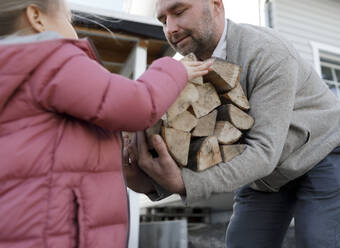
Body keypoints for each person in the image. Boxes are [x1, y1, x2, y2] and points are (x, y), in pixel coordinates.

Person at [124, 0, 340, 247]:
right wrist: (151, 183)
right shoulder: (183, 74)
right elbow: (200, 149)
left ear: (216, 4)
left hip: (323, 151)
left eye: (179, 12)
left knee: (316, 240)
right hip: (266, 171)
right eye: (163, 21)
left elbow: (263, 151)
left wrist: (185, 184)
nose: (170, 28)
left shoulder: (267, 51)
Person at [0, 0, 213, 247]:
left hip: (22, 223)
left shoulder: (14, 72)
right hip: (62, 229)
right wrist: (176, 70)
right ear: (37, 17)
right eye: (68, 19)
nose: (73, 29)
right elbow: (138, 105)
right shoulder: (52, 59)